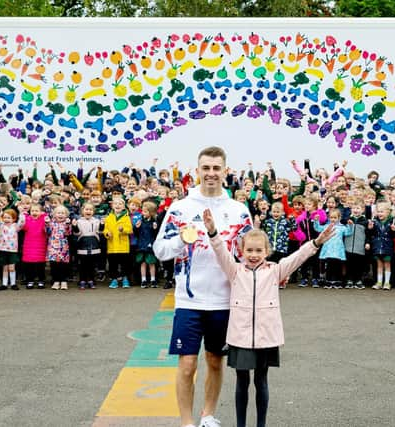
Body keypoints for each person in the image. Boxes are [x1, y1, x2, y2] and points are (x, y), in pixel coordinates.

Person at [204, 208, 334, 427]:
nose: (254, 255)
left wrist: (317, 242)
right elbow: (220, 252)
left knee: (261, 381)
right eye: (249, 250)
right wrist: (213, 232)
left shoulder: (275, 271)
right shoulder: (234, 270)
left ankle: (261, 424)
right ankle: (241, 424)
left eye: (258, 250)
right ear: (241, 251)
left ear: (267, 251)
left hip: (266, 337)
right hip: (240, 337)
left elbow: (299, 256)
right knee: (242, 381)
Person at [153, 146, 252, 427]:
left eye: (216, 168)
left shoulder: (238, 211)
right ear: (197, 171)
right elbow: (160, 250)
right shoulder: (181, 207)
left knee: (215, 362)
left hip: (224, 301)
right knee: (186, 365)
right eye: (205, 168)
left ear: (225, 171)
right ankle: (187, 422)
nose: (211, 174)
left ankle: (208, 415)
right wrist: (182, 240)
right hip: (188, 300)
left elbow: (249, 255)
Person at [313, 209, 351, 289]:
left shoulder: (342, 227)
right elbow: (318, 228)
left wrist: (350, 225)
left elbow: (348, 232)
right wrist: (316, 221)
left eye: (335, 217)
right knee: (329, 265)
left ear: (339, 218)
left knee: (337, 266)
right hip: (328, 249)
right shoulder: (327, 226)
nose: (333, 219)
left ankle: (337, 281)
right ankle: (329, 281)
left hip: (338, 250)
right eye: (331, 217)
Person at [134, 200, 160, 288]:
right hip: (141, 244)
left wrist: (155, 229)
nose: (143, 213)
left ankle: (153, 279)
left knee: (151, 263)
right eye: (142, 211)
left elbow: (156, 234)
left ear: (151, 212)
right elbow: (136, 234)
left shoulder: (154, 221)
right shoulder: (140, 221)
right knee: (143, 263)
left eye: (145, 211)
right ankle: (143, 280)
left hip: (150, 244)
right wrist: (136, 228)